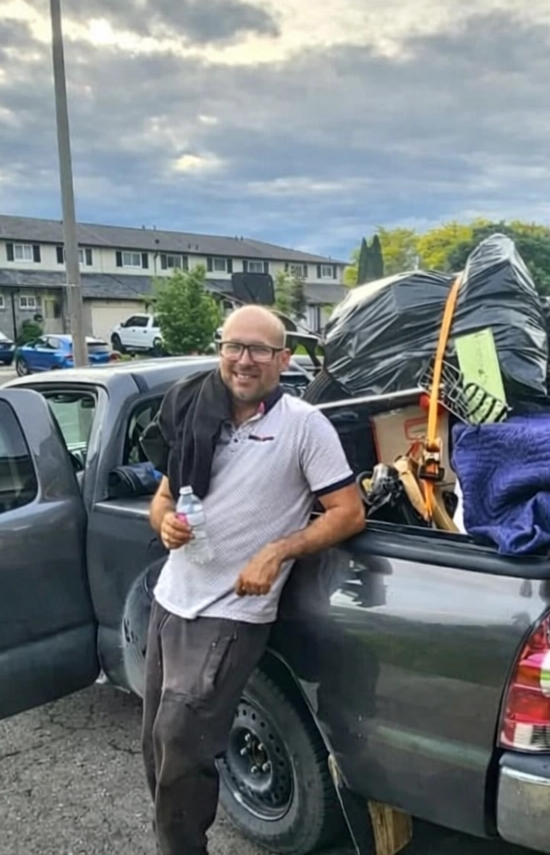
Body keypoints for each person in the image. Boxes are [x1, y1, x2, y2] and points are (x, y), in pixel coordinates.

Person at [140, 304, 366, 855]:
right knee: (157, 747)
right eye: (233, 346)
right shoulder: (198, 414)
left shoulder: (303, 425)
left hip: (232, 613)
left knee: (181, 740)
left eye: (259, 350)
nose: (244, 360)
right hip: (172, 601)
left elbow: (348, 511)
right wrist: (163, 523)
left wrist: (279, 551)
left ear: (283, 360)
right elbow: (164, 499)